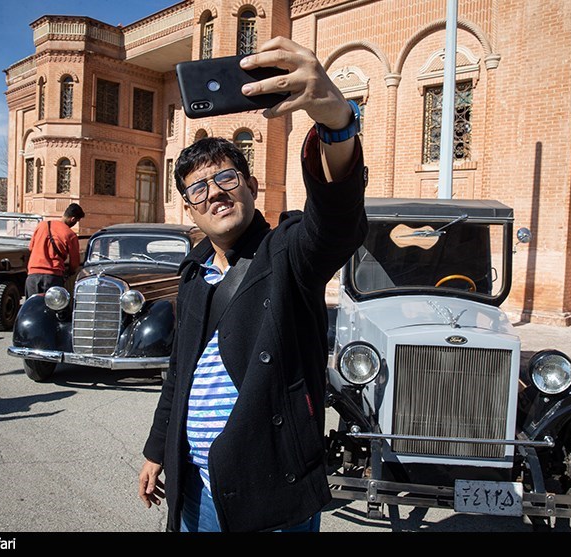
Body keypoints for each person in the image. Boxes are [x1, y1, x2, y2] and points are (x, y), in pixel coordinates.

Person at [138, 37, 368, 533]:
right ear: (188, 206)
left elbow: (337, 221)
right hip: (194, 486)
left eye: (225, 178)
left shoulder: (287, 252)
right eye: (197, 188)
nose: (214, 194)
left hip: (270, 491)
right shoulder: (195, 271)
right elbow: (179, 373)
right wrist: (157, 451)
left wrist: (336, 122)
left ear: (251, 185)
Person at [25, 203, 84, 298]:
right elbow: (74, 263)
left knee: (32, 308)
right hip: (53, 277)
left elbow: (31, 247)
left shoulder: (42, 225)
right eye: (76, 221)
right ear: (72, 219)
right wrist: (70, 272)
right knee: (53, 309)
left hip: (33, 275)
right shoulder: (70, 235)